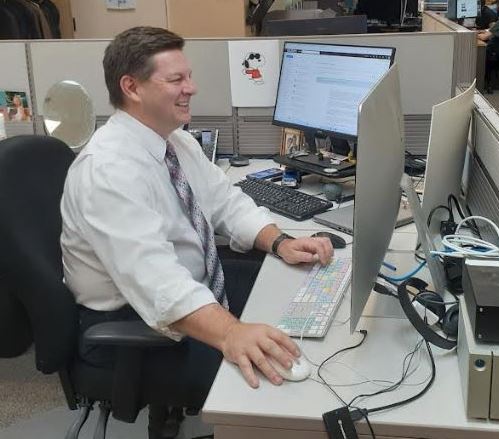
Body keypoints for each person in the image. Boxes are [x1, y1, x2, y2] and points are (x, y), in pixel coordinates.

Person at [60, 26, 334, 398]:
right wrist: (231, 333)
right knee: (279, 384)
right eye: (176, 80)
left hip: (197, 283)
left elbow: (226, 203)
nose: (192, 88)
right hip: (137, 324)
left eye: (188, 76)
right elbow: (158, 283)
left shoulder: (174, 141)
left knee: (298, 294)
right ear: (132, 87)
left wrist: (280, 241)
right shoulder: (107, 172)